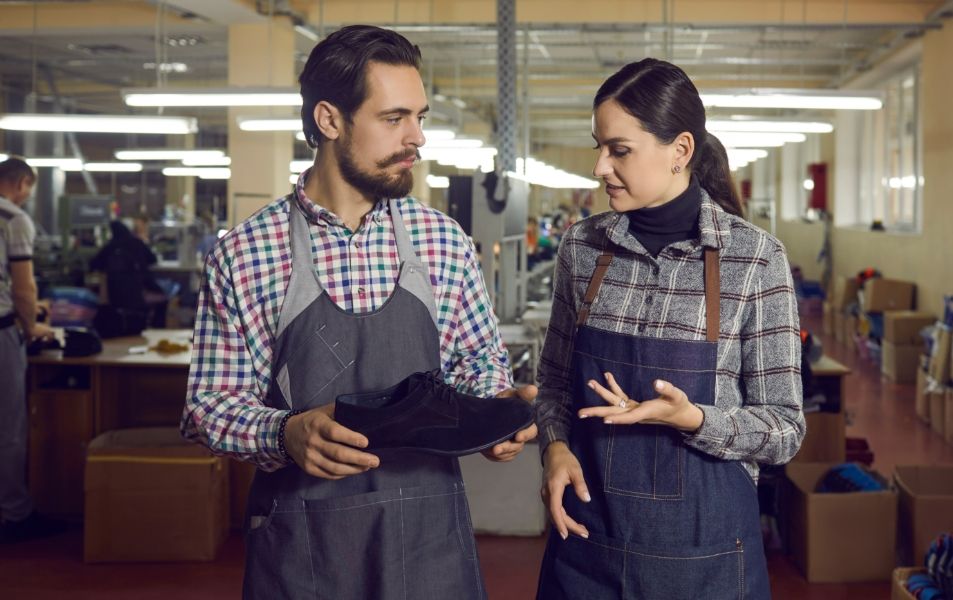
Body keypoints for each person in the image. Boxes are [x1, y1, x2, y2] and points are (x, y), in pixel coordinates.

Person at [181, 25, 537, 599]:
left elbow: (476, 360)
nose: (417, 137)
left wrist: (494, 409)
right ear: (330, 120)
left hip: (429, 540)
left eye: (419, 117)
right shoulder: (245, 252)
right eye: (394, 118)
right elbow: (208, 408)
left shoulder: (442, 241)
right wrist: (285, 431)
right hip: (306, 544)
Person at [534, 58, 805, 599]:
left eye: (620, 150)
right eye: (599, 147)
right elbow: (555, 385)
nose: (600, 168)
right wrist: (555, 448)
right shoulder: (583, 248)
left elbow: (785, 429)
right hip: (589, 547)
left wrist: (694, 418)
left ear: (680, 150)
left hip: (704, 559)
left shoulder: (753, 259)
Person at [0, 157, 64, 543]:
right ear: (22, 183)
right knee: (9, 428)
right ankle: (14, 514)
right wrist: (32, 324)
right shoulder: (13, 219)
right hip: (2, 330)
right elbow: (23, 288)